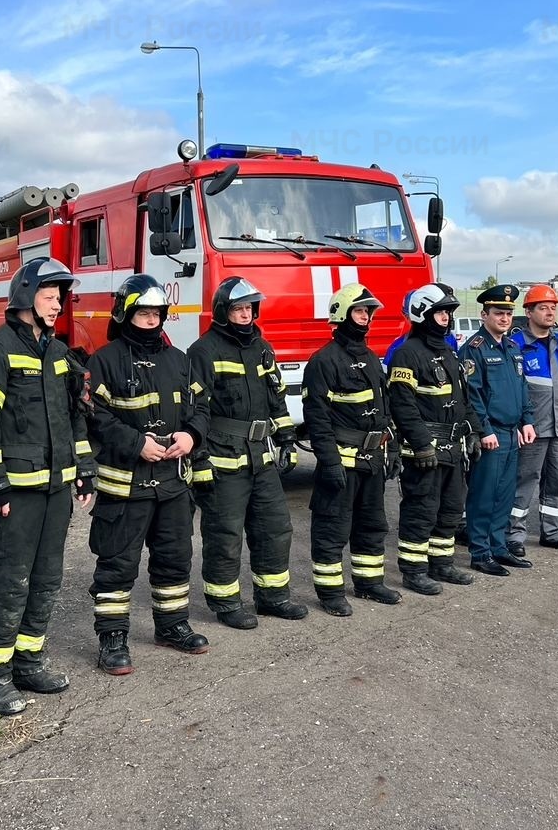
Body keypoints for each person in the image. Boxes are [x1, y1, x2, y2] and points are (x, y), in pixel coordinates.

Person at [0, 257, 96, 717]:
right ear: (25, 297)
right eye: (50, 295)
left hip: (55, 492)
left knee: (45, 581)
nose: (58, 304)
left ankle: (29, 662)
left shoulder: (58, 355)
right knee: (8, 581)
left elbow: (74, 417)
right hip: (14, 494)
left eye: (61, 297)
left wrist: (84, 468)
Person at [85, 274, 211, 674]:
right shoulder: (104, 360)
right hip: (125, 488)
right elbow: (95, 417)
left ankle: (171, 625)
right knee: (117, 565)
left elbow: (201, 408)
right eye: (142, 312)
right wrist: (135, 443)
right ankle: (112, 638)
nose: (151, 318)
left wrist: (192, 436)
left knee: (174, 559)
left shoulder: (179, 360)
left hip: (173, 485)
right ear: (125, 313)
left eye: (156, 312)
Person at [187, 278, 309, 628]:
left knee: (275, 527)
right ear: (224, 311)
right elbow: (195, 411)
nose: (245, 314)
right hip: (223, 459)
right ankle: (225, 603)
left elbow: (276, 396)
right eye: (238, 308)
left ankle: (273, 597)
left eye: (249, 308)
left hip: (262, 456)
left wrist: (287, 437)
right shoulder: (204, 351)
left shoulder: (262, 346)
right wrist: (200, 460)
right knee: (225, 532)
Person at [303, 283, 401, 614]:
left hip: (372, 460)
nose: (366, 318)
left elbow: (384, 409)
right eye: (360, 312)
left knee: (372, 524)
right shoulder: (323, 362)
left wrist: (393, 448)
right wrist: (328, 462)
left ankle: (369, 583)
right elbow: (317, 419)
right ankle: (330, 593)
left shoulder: (372, 359)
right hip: (342, 463)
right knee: (332, 528)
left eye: (368, 313)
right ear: (342, 315)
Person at [388, 284, 481, 594]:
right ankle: (414, 571)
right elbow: (403, 406)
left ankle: (441, 564)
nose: (446, 318)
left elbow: (464, 399)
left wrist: (474, 432)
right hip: (425, 450)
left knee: (451, 508)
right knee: (420, 510)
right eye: (441, 312)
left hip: (453, 449)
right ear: (422, 313)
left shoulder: (448, 352)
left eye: (449, 313)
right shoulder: (407, 354)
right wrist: (420, 444)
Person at [460, 284, 536, 576]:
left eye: (508, 313)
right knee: (483, 494)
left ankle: (499, 547)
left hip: (511, 432)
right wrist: (484, 430)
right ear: (484, 315)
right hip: (490, 435)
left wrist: (526, 420)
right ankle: (480, 553)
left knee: (505, 494)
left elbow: (521, 388)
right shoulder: (474, 349)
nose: (504, 318)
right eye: (498, 313)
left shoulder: (513, 348)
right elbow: (472, 395)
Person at [509, 285, 558, 554]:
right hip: (532, 428)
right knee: (524, 481)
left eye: (553, 307)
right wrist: (518, 424)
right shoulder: (515, 345)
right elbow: (510, 390)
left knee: (556, 482)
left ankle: (553, 532)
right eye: (543, 307)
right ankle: (514, 534)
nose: (550, 312)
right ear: (528, 312)